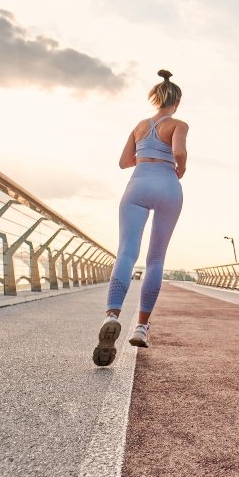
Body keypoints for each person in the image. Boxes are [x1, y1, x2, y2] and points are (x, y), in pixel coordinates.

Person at [93, 70, 188, 366]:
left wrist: (145, 154)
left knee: (126, 253)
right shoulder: (178, 124)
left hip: (138, 183)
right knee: (155, 259)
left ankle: (112, 315)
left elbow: (124, 162)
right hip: (167, 184)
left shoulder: (139, 125)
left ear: (155, 98)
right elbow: (179, 152)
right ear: (177, 101)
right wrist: (179, 167)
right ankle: (142, 327)